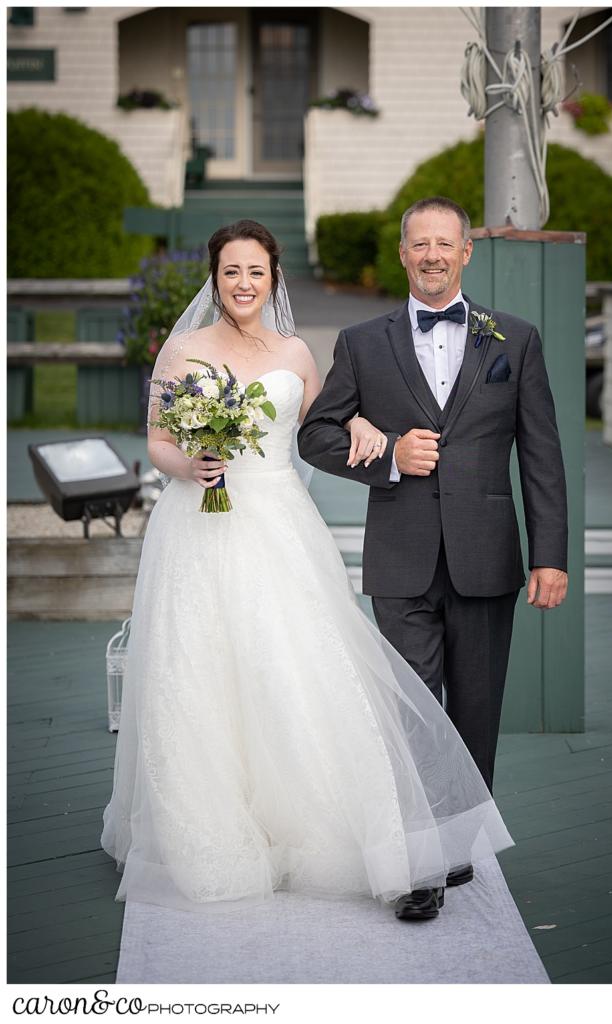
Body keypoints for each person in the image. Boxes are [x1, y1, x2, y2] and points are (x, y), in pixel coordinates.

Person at [101, 219, 513, 924]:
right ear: (214, 276)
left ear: (273, 278)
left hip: (281, 523)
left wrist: (366, 433)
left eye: (255, 272)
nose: (243, 284)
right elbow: (158, 442)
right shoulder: (184, 350)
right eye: (231, 271)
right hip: (198, 526)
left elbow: (327, 423)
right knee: (202, 670)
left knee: (297, 667)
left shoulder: (297, 351)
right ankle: (211, 832)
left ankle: (332, 829)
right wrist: (190, 465)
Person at [298, 197, 568, 918]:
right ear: (401, 253)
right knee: (412, 713)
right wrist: (388, 454)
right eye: (419, 245)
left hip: (487, 559)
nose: (431, 256)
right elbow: (316, 436)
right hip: (401, 557)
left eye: (443, 244)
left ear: (466, 252)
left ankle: (455, 843)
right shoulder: (361, 342)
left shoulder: (514, 338)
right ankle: (417, 864)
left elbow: (541, 454)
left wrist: (550, 555)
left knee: (474, 713)